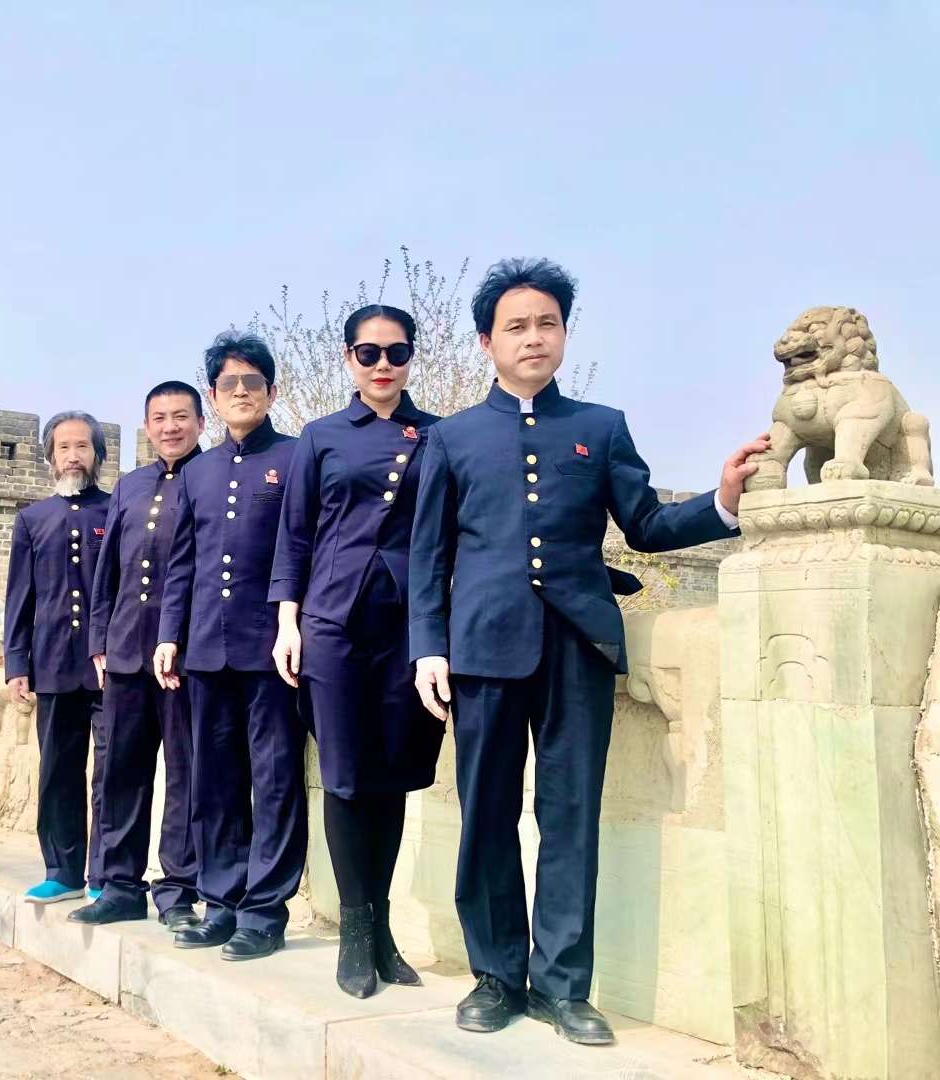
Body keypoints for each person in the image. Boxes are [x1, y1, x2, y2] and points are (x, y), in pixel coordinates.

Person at [408, 258, 769, 1045]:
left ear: (565, 334)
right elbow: (427, 557)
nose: (533, 337)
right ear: (486, 342)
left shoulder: (601, 427)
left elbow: (646, 526)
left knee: (571, 817)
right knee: (487, 815)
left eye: (547, 323)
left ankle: (563, 988)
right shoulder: (451, 438)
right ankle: (496, 977)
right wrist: (428, 647)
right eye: (516, 326)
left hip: (579, 645)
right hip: (482, 650)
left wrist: (722, 501)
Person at [269, 304, 443, 998]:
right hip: (332, 624)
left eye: (396, 352)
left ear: (410, 358)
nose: (383, 365)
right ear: (349, 359)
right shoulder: (322, 436)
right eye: (368, 353)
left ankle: (384, 929)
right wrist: (288, 621)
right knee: (344, 778)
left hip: (406, 626)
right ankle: (355, 931)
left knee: (391, 777)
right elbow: (296, 533)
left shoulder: (438, 435)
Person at [154, 332, 305, 961]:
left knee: (273, 779)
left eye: (252, 382)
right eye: (229, 384)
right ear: (213, 396)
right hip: (206, 650)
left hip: (272, 650)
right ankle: (220, 901)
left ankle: (264, 910)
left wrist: (293, 624)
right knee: (213, 780)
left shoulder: (296, 457)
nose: (241, 392)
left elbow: (302, 547)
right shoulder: (198, 472)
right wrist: (169, 633)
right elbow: (182, 561)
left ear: (271, 391)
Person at [71, 381, 205, 930]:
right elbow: (108, 572)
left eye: (181, 416)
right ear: (147, 427)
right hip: (126, 652)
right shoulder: (130, 485)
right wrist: (99, 641)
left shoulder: (211, 475)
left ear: (200, 422)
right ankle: (120, 885)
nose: (170, 427)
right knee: (120, 772)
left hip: (184, 657)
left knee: (185, 775)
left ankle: (178, 891)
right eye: (159, 418)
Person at [3, 411, 113, 905]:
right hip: (51, 663)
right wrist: (16, 663)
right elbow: (19, 597)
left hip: (109, 667)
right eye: (64, 447)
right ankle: (63, 871)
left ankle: (108, 873)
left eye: (82, 446)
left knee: (112, 771)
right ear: (50, 456)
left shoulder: (115, 510)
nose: (73, 456)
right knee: (58, 771)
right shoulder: (32, 519)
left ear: (98, 454)